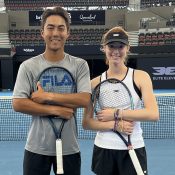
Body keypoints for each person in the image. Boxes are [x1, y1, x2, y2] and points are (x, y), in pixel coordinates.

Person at [12, 6, 91, 175]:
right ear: (42, 32)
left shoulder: (80, 65)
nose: (56, 33)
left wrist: (47, 96)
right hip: (36, 148)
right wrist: (55, 110)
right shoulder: (28, 66)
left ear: (68, 33)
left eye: (61, 28)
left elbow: (84, 99)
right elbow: (18, 103)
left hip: (69, 148)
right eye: (50, 27)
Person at [83, 26, 159, 175]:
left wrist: (116, 113)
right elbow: (86, 123)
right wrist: (115, 124)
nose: (116, 51)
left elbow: (153, 114)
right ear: (104, 48)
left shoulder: (141, 76)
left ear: (127, 48)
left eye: (120, 46)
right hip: (104, 149)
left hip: (134, 146)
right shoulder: (93, 84)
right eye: (111, 46)